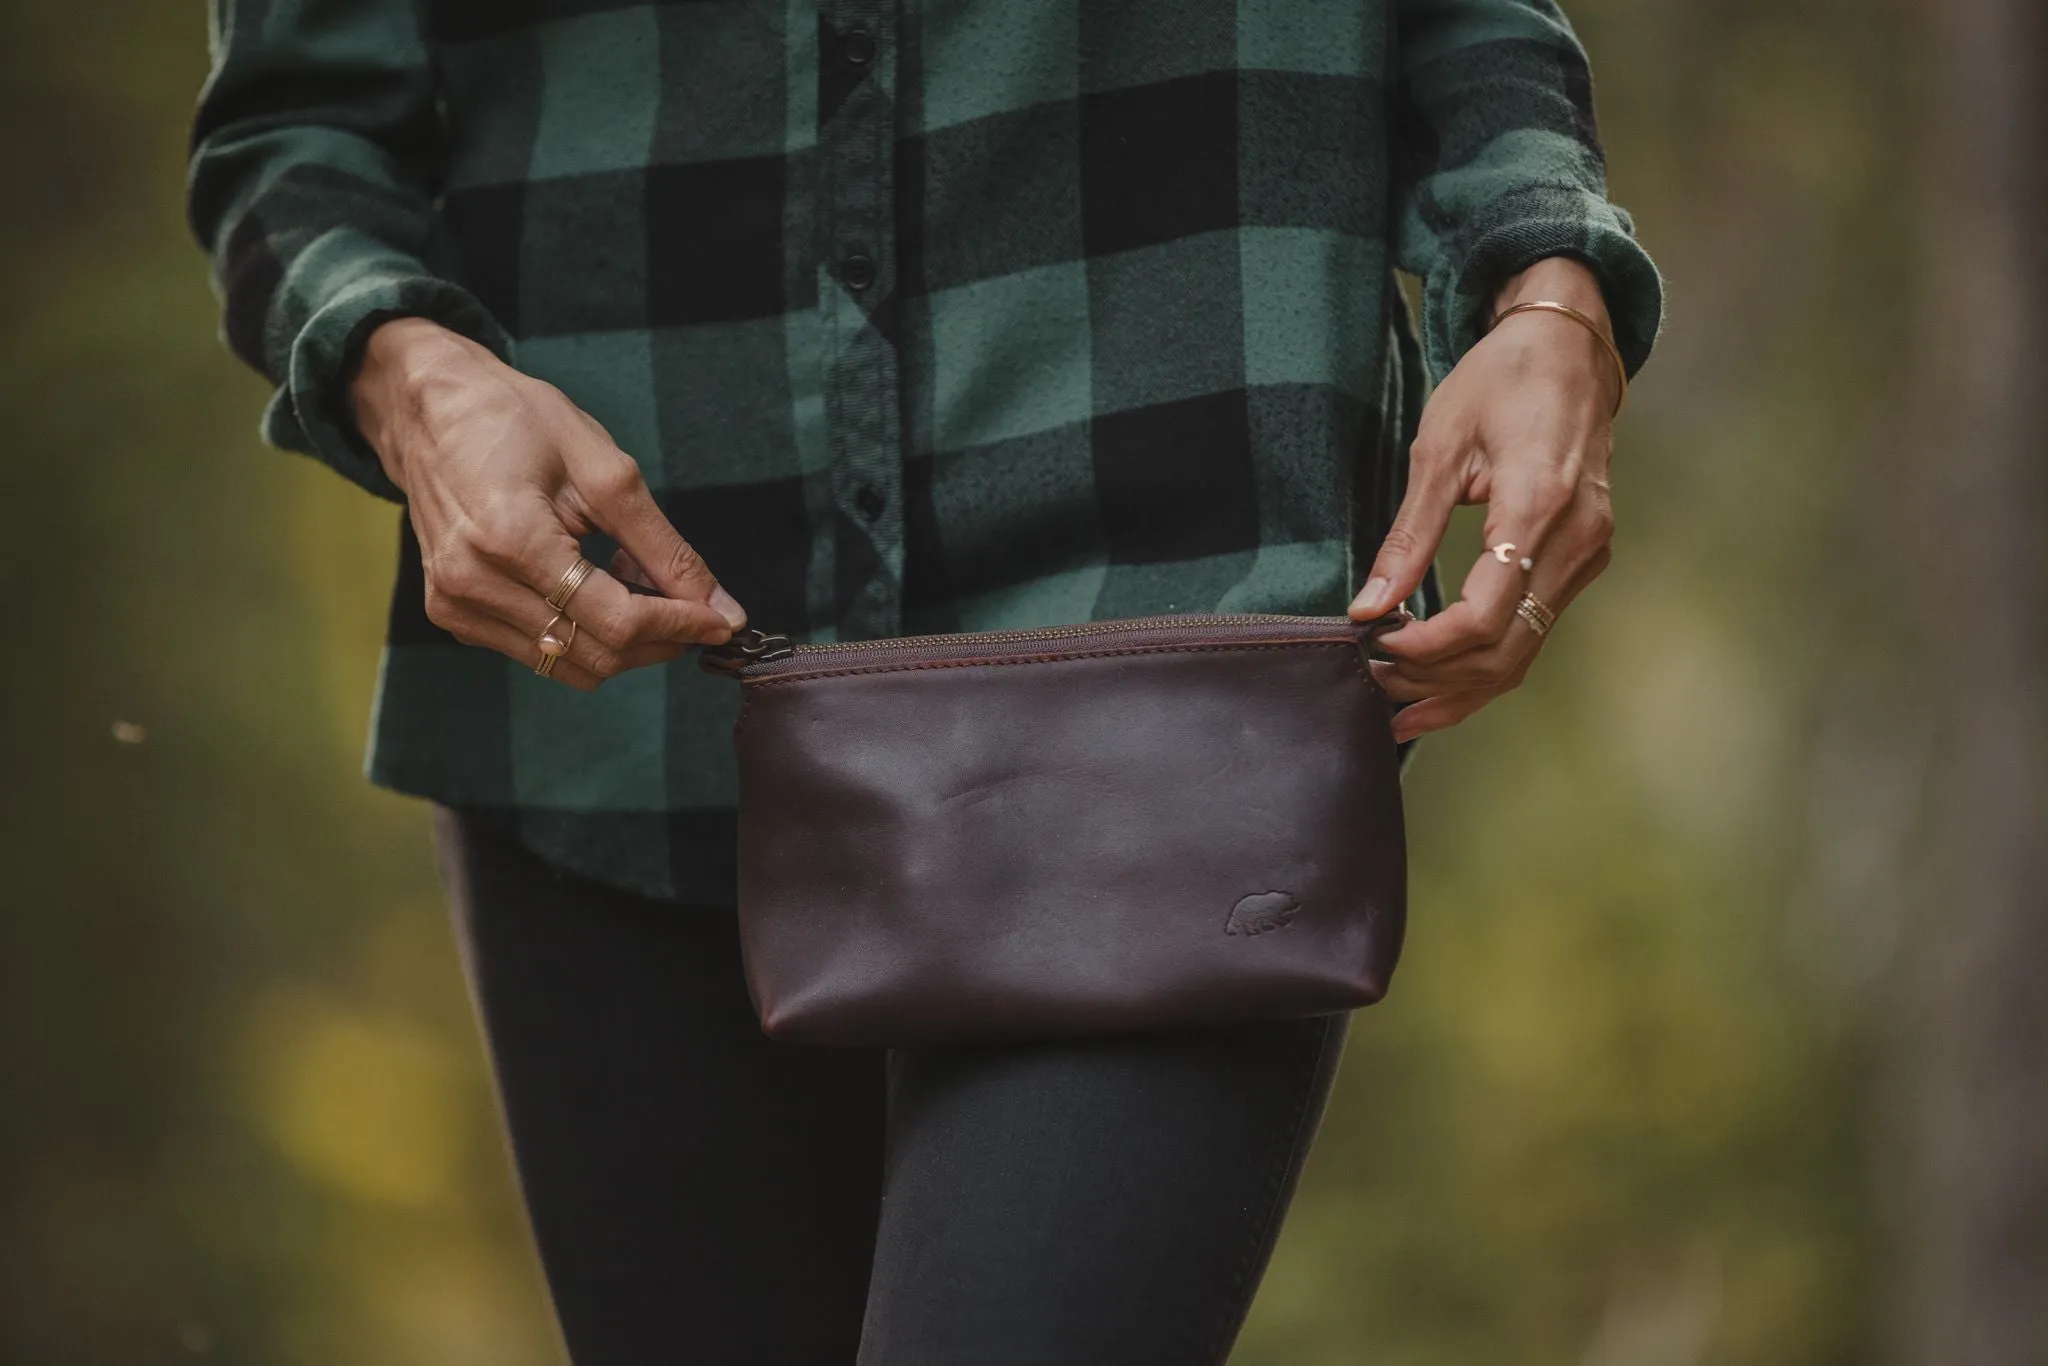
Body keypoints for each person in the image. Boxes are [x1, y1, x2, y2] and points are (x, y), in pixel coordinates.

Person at [189, 1, 1661, 1360]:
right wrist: (413, 377)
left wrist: (1549, 281)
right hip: (621, 682)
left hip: (1181, 643)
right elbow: (295, 130)